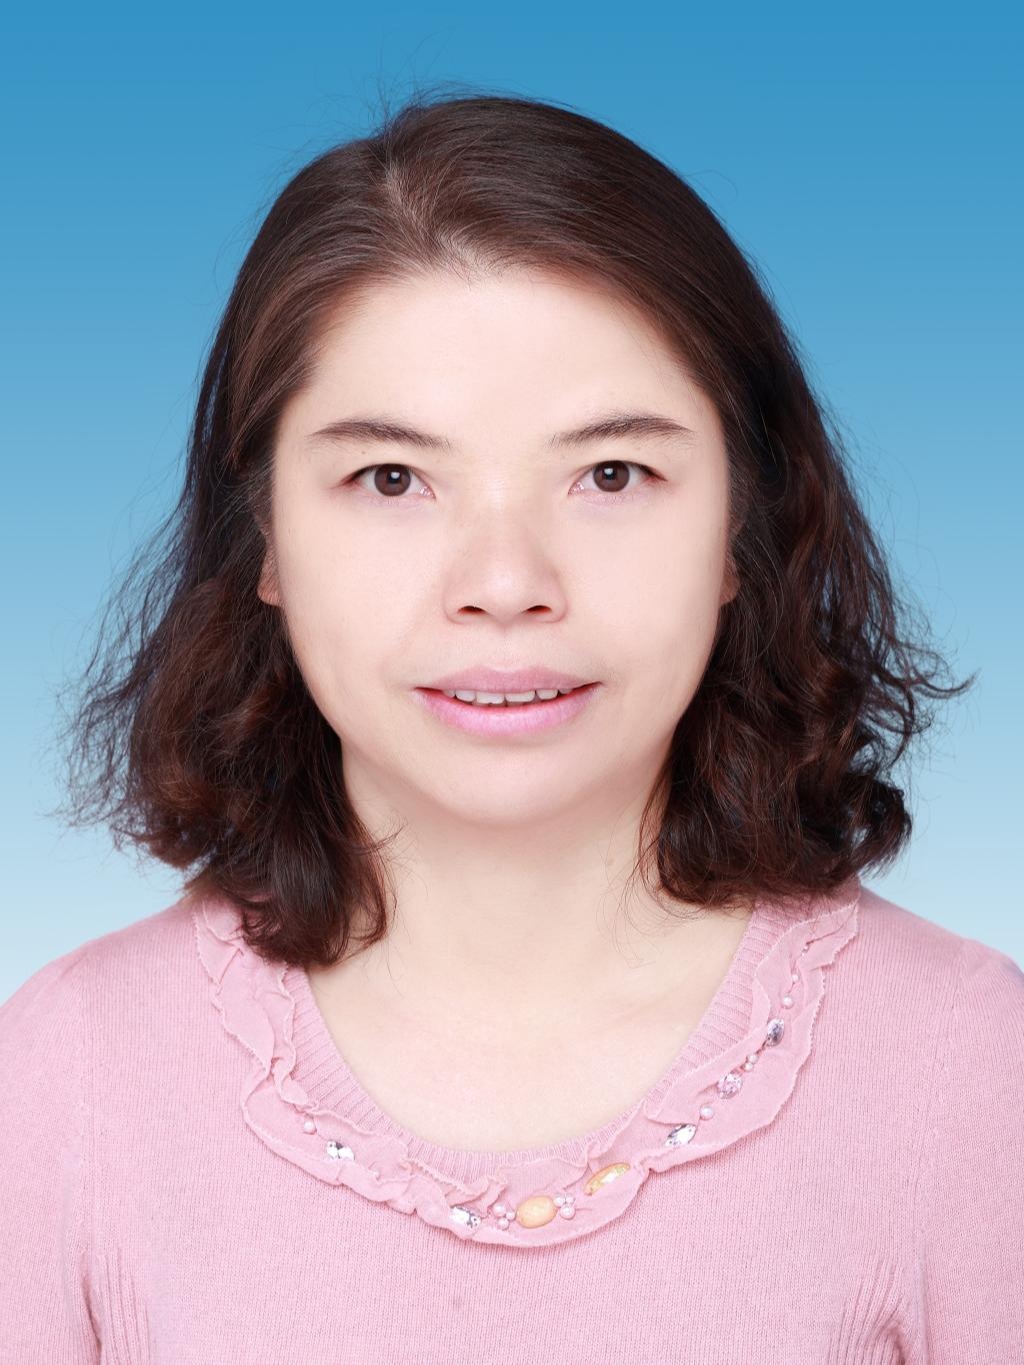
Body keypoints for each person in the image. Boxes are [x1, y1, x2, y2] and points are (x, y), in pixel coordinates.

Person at [2, 88, 1021, 1363]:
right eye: (391, 478)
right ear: (262, 536)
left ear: (741, 529)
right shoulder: (69, 1075)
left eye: (610, 474)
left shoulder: (966, 1067)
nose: (503, 582)